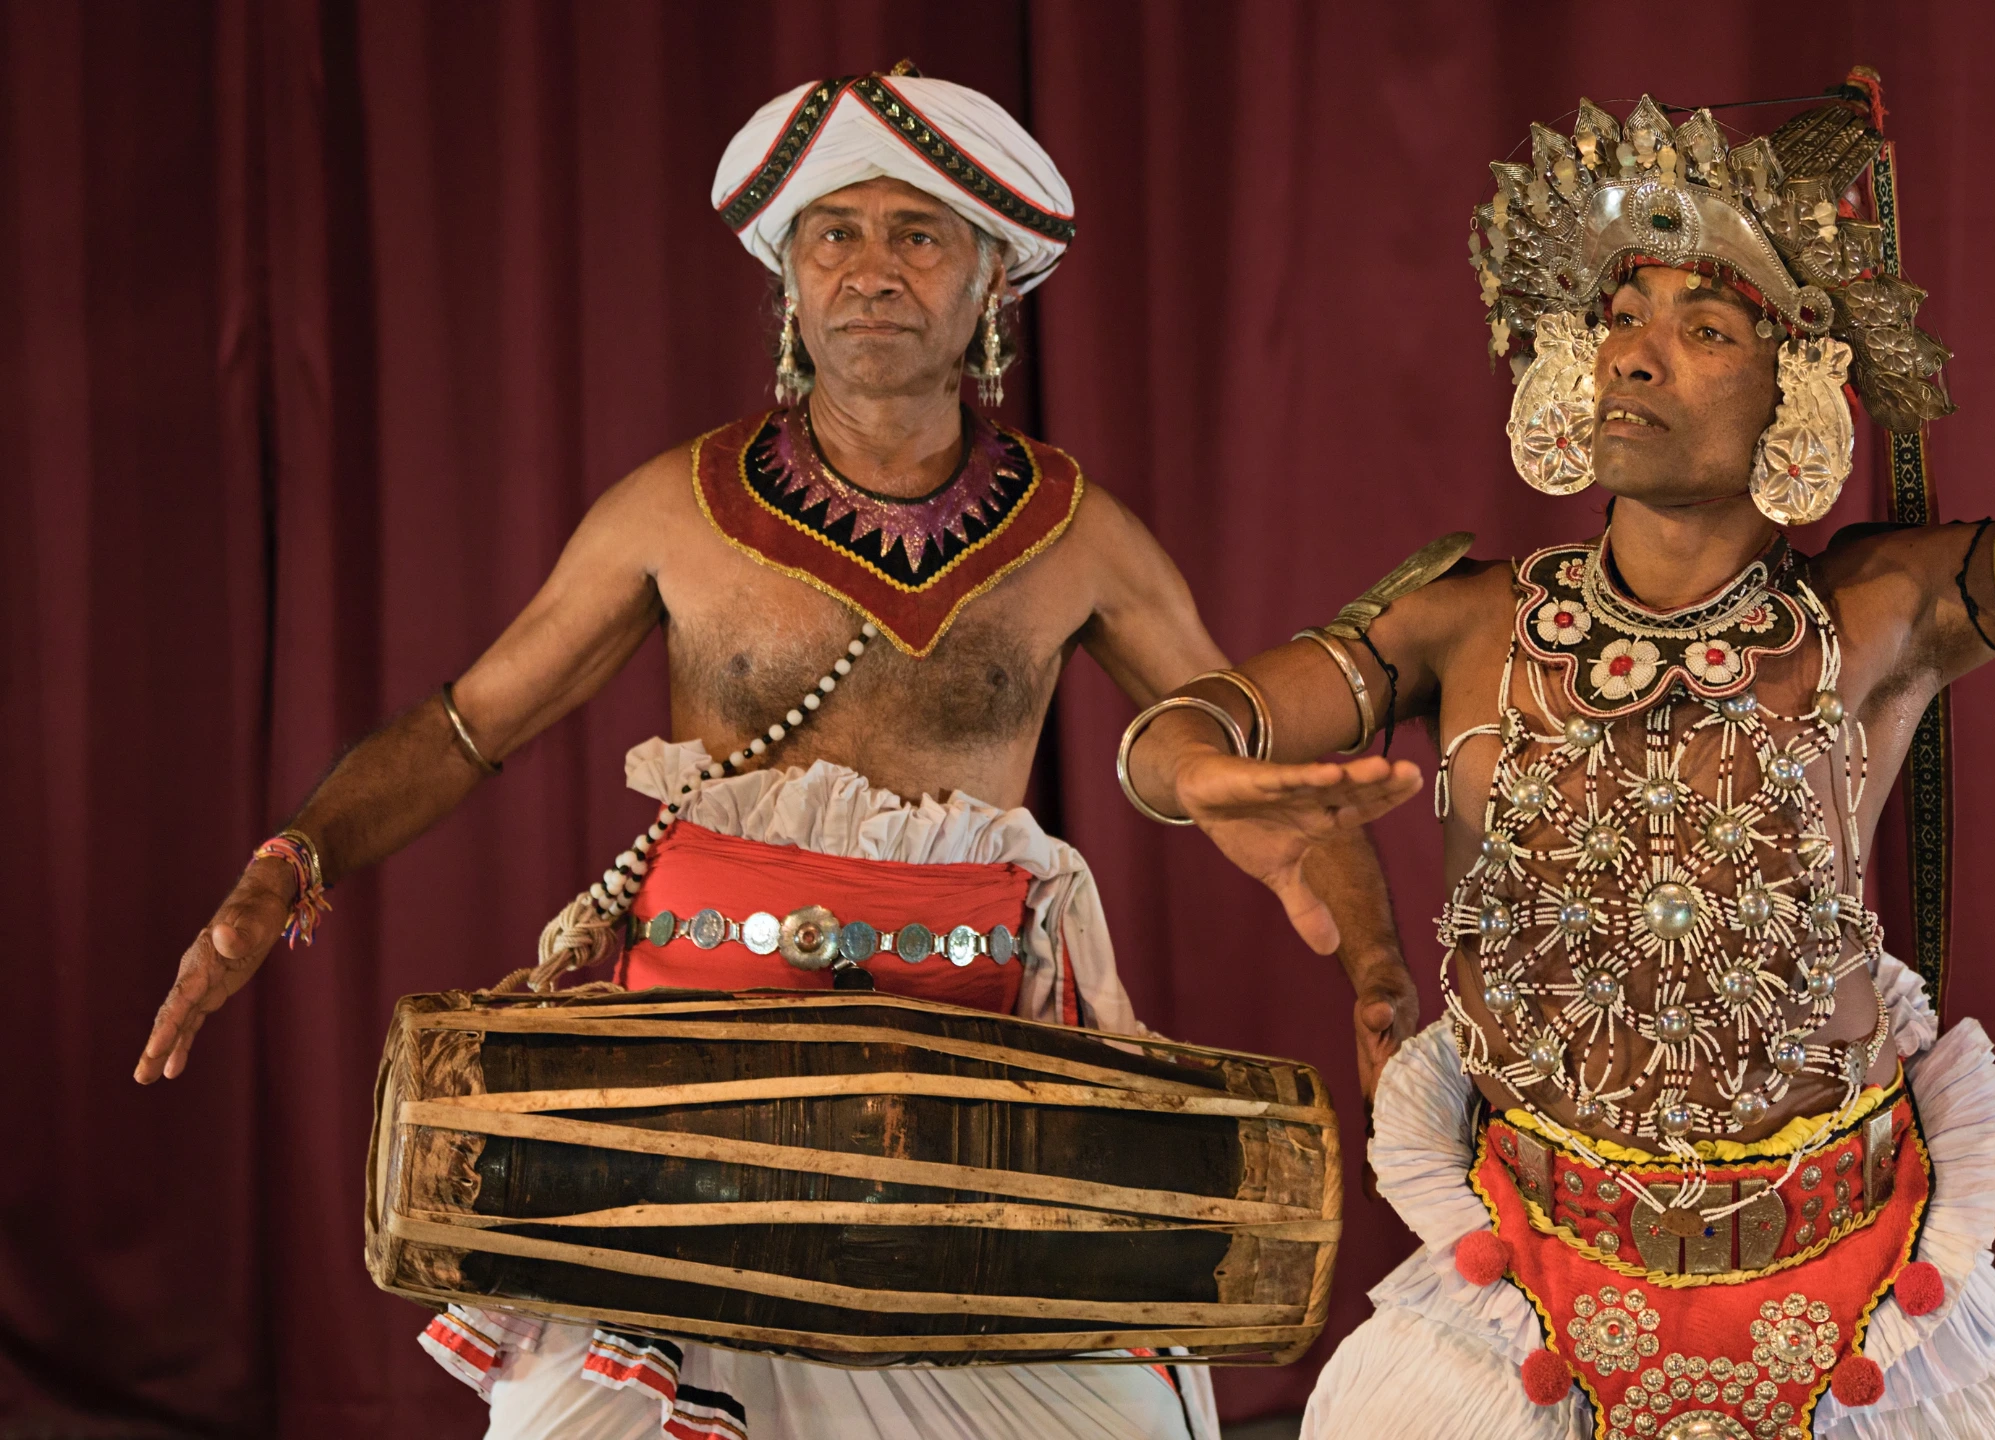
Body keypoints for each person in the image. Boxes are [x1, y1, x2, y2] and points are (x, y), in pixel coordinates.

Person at [1119, 4, 1995, 1436]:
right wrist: (1198, 776)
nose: (1634, 354)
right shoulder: (1463, 621)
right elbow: (1193, 727)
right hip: (1525, 1288)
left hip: (1861, 1282)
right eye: (1617, 316)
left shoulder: (1880, 613)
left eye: (1704, 327)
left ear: (1795, 384)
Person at [132, 67, 1418, 1440]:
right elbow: (467, 727)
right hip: (695, 1100)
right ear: (789, 283)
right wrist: (291, 857)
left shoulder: (1077, 533)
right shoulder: (672, 509)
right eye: (833, 234)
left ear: (993, 279)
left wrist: (1377, 964)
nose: (872, 270)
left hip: (974, 1105)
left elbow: (1245, 773)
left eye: (918, 234)